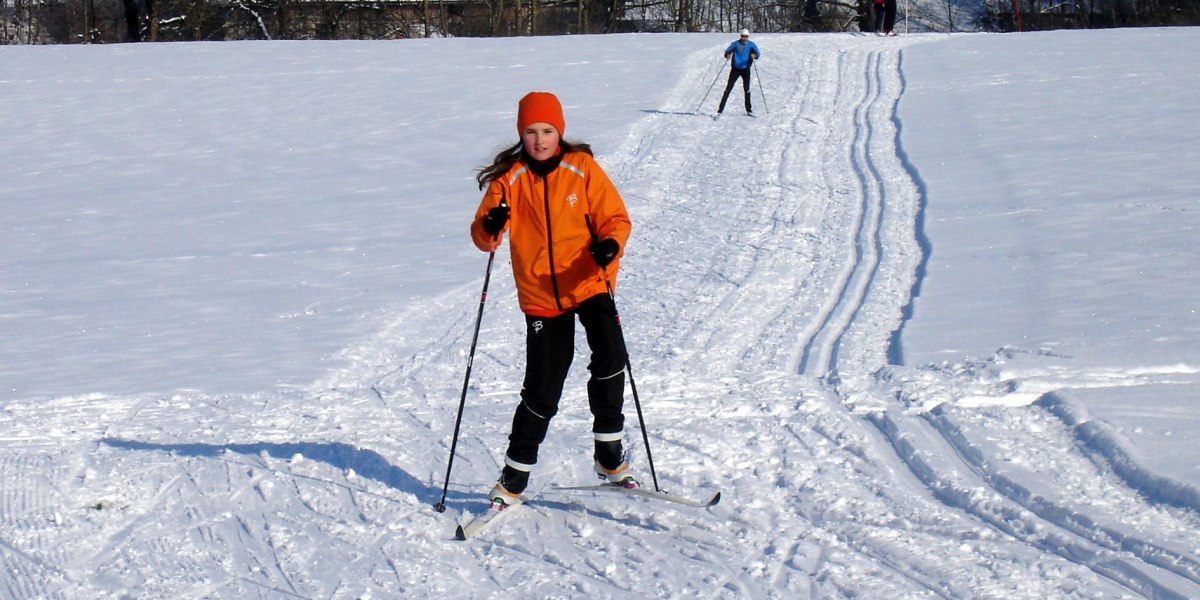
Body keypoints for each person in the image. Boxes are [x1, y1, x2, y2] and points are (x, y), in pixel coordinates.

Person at [470, 91, 638, 511]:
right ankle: (513, 477)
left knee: (611, 356)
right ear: (520, 135)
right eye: (531, 132)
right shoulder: (509, 180)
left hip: (589, 280)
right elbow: (483, 237)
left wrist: (610, 246)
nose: (540, 139)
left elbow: (615, 218)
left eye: (547, 131)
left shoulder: (580, 168)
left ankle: (609, 455)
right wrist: (490, 226)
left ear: (559, 131)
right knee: (543, 386)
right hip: (541, 294)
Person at [717, 29, 761, 116]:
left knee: (747, 89)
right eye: (743, 36)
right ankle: (720, 110)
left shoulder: (751, 45)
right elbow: (727, 52)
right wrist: (727, 55)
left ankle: (749, 110)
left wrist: (754, 56)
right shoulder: (735, 44)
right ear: (740, 36)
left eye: (746, 36)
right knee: (728, 88)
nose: (744, 38)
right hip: (735, 69)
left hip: (746, 69)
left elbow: (758, 54)